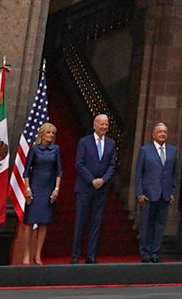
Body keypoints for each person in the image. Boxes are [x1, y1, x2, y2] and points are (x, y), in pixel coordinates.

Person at [72, 113, 117, 265]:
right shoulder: (84, 142)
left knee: (96, 222)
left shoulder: (111, 143)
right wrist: (92, 180)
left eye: (106, 124)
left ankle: (91, 255)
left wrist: (103, 180)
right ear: (95, 125)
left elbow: (112, 165)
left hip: (101, 189)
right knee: (81, 221)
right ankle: (75, 255)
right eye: (101, 124)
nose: (104, 127)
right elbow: (79, 163)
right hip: (85, 187)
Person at [14, 120, 60, 265]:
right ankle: (27, 253)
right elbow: (26, 171)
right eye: (48, 132)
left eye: (53, 133)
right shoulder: (34, 149)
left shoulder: (56, 150)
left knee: (44, 222)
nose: (51, 135)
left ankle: (38, 254)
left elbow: (59, 171)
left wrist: (56, 189)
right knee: (30, 221)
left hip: (48, 188)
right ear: (42, 134)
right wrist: (27, 189)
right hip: (35, 188)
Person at [134, 121, 178, 264]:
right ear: (153, 134)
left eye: (165, 131)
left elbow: (174, 173)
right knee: (147, 224)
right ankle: (145, 252)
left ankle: (155, 251)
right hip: (148, 194)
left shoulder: (173, 151)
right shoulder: (145, 150)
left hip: (164, 194)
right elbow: (139, 174)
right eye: (160, 132)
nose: (163, 134)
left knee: (160, 225)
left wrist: (173, 191)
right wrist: (139, 193)